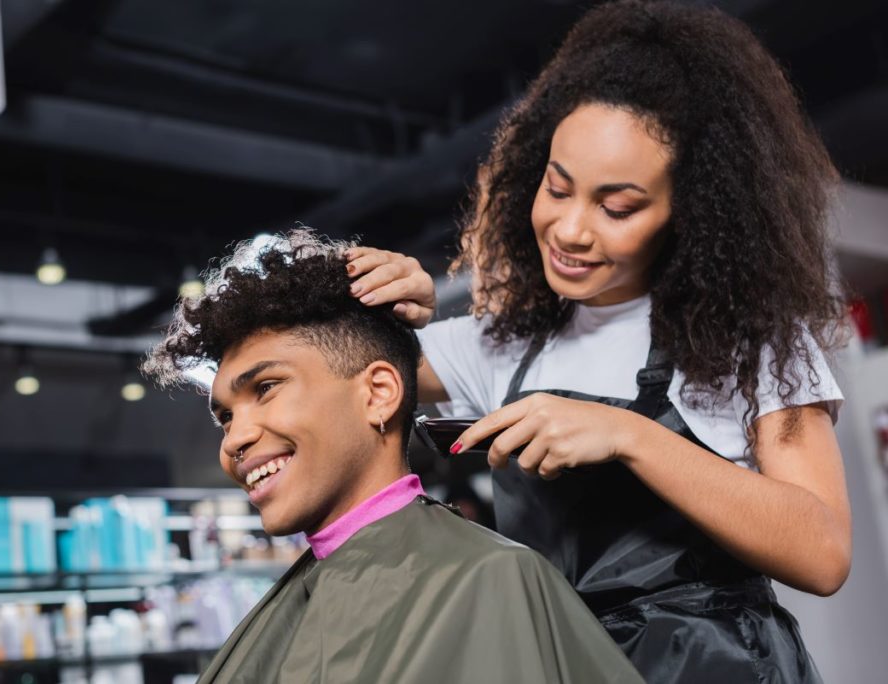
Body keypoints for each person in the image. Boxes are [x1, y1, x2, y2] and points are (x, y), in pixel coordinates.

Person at [344, 1, 852, 681]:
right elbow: (348, 370)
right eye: (557, 189)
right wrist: (389, 303)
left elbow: (823, 553)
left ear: (691, 213)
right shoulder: (500, 345)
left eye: (617, 208)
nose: (572, 229)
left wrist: (629, 436)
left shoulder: (753, 345)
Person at [144, 230, 644, 684]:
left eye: (267, 387)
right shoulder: (298, 601)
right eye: (226, 417)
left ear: (379, 393)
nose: (233, 441)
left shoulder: (490, 582)